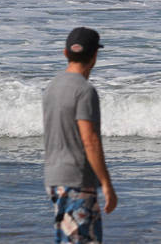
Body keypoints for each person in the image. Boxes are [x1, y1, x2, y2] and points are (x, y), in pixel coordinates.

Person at [43, 27, 117, 243]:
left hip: (54, 178)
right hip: (77, 179)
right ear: (95, 56)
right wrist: (106, 184)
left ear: (65, 53)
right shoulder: (84, 90)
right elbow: (90, 141)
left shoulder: (52, 87)